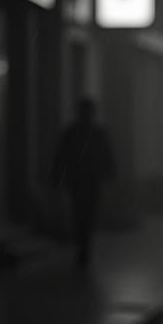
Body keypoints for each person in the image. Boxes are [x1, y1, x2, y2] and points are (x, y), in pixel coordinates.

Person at [49, 96, 115, 268]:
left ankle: (84, 246)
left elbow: (107, 155)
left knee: (89, 214)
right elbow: (61, 157)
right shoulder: (72, 133)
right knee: (80, 214)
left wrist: (109, 173)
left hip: (92, 181)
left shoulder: (97, 134)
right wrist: (57, 176)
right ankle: (82, 247)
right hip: (78, 181)